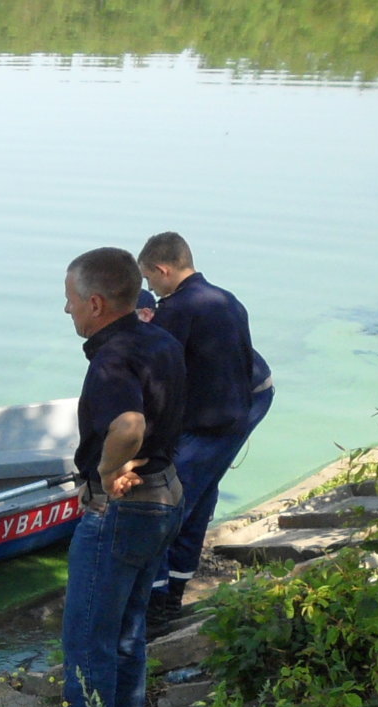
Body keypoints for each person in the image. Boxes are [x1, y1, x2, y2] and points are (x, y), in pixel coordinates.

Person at [29, 246, 187, 707]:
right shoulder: (160, 340)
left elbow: (128, 426)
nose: (67, 310)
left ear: (95, 302)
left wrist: (103, 472)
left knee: (88, 631)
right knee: (126, 625)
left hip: (124, 507)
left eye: (71, 300)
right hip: (167, 494)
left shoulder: (111, 359)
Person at [138, 232, 274, 627]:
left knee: (166, 508)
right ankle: (173, 594)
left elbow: (160, 381)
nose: (152, 289)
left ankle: (156, 606)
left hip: (215, 423)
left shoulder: (177, 312)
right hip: (245, 407)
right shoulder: (226, 299)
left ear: (163, 270)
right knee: (197, 501)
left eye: (150, 280)